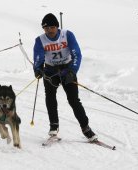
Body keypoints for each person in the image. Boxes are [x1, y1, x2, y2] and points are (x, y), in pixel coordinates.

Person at [33, 13, 97, 141]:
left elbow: (77, 54)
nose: (49, 31)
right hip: (51, 72)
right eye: (46, 28)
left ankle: (86, 127)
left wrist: (72, 71)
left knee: (74, 100)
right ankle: (53, 127)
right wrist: (38, 69)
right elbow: (38, 58)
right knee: (50, 97)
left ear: (57, 26)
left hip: (67, 70)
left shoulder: (67, 35)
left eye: (52, 27)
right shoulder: (40, 40)